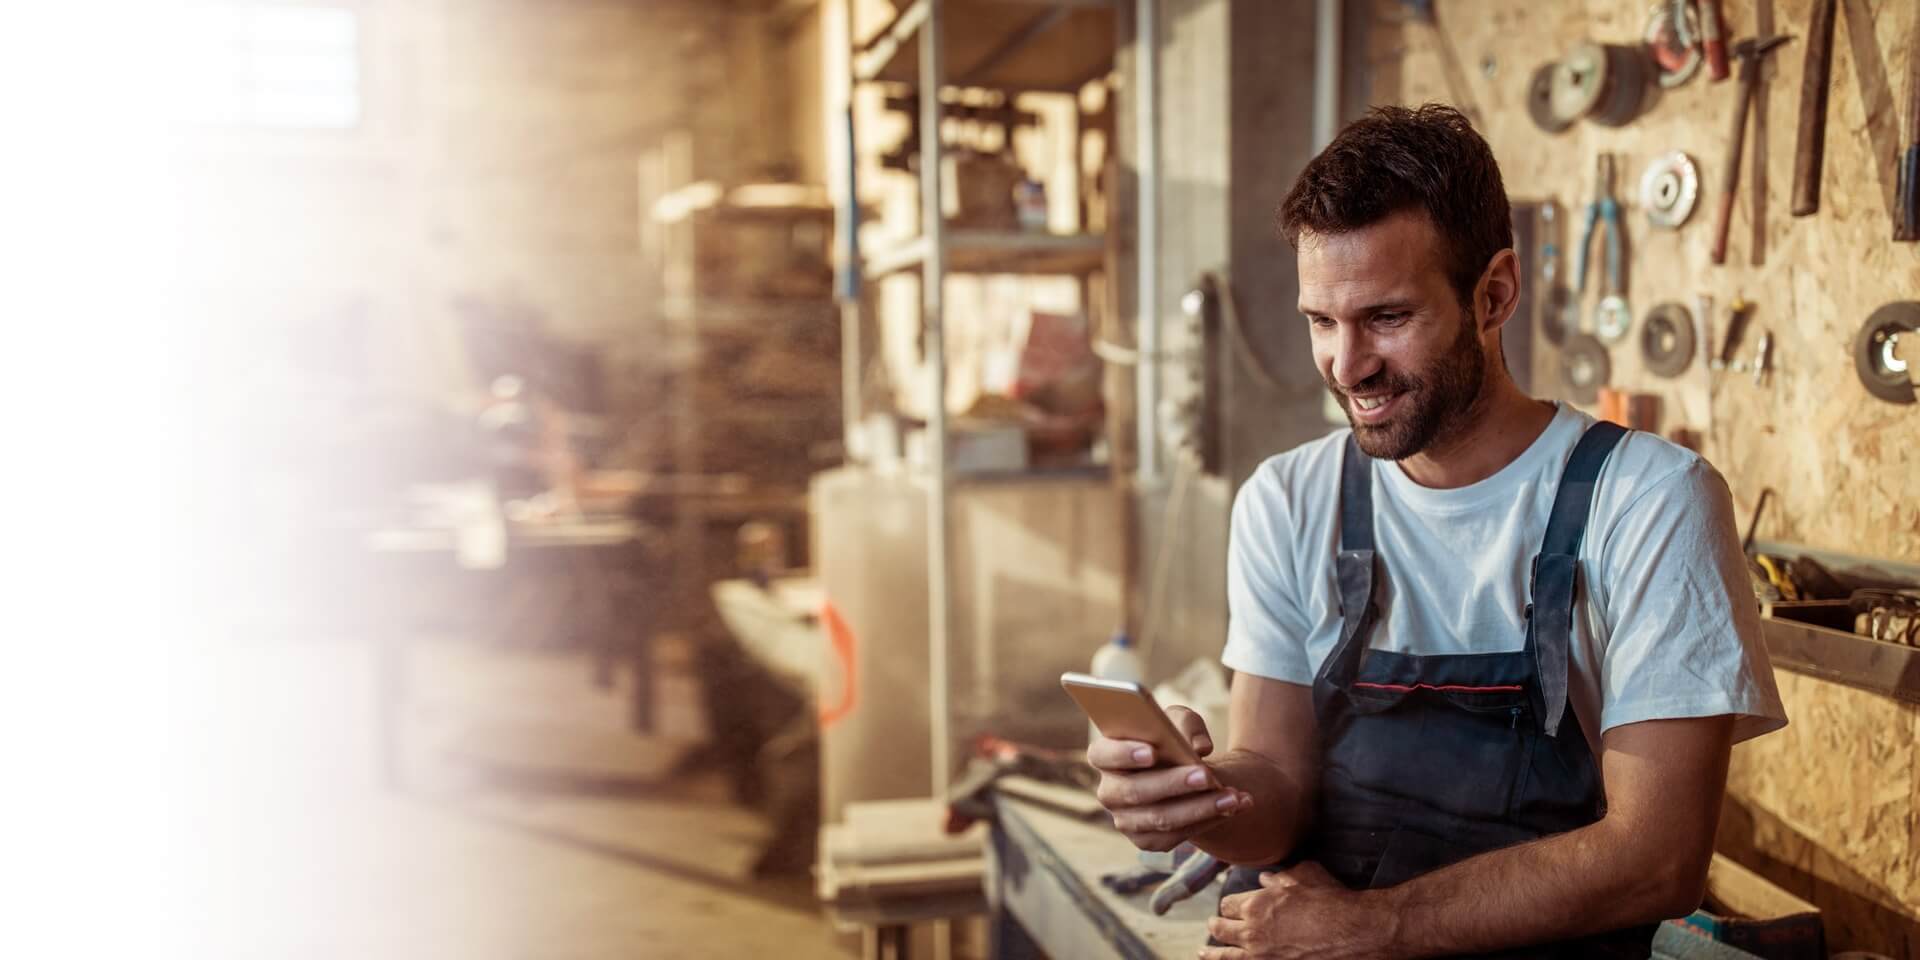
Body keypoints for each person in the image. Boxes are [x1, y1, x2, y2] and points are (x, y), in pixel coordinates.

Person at [1087, 104, 1787, 959]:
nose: (1347, 366)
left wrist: (1375, 928)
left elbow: (1657, 859)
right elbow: (1279, 792)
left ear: (1494, 294)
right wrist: (1200, 795)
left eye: (1386, 317)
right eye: (1321, 321)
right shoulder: (1288, 499)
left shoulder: (1647, 500)